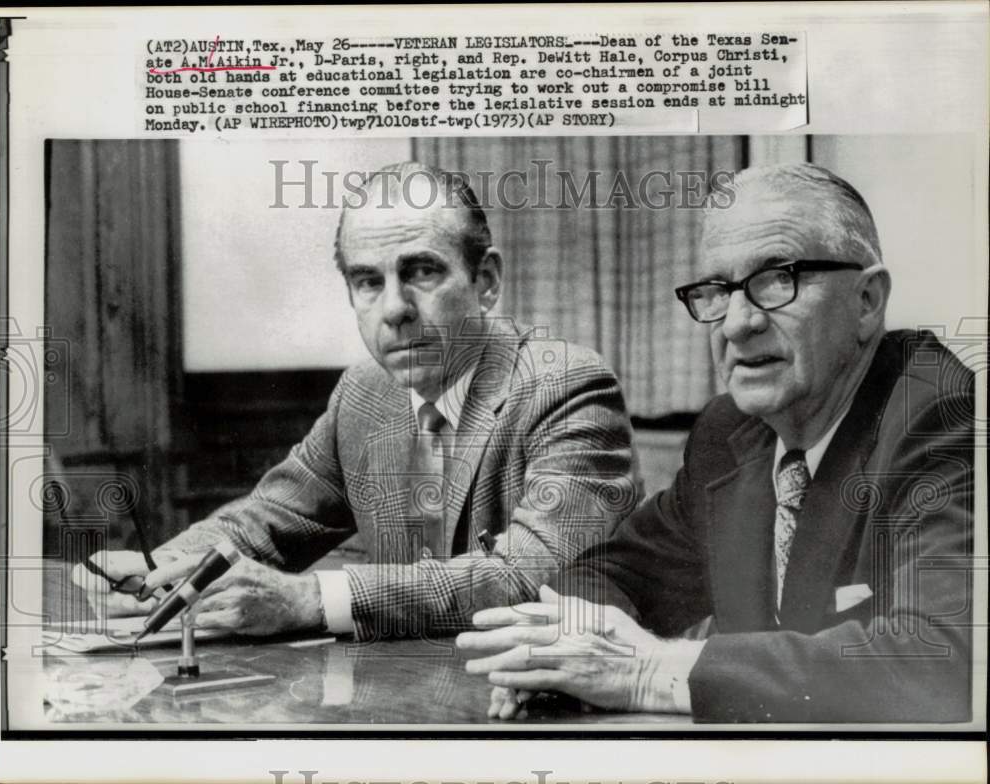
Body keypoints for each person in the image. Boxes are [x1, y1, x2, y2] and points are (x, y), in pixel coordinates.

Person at [458, 163, 975, 723]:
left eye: (778, 279)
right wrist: (559, 653)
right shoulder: (730, 432)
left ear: (868, 300)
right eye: (715, 290)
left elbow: (939, 662)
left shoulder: (942, 416)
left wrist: (649, 670)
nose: (735, 323)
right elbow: (617, 572)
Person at [73, 162, 640, 641]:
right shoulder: (364, 394)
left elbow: (533, 578)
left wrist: (311, 599)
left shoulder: (566, 385)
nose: (394, 308)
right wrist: (159, 572)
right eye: (369, 281)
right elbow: (266, 523)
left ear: (486, 280)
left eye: (421, 271)